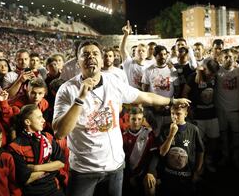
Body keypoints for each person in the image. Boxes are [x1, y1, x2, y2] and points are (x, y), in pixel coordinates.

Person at [52, 40, 190, 196]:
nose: (91, 57)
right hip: (85, 170)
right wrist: (80, 98)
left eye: (95, 53)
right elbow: (59, 132)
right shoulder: (67, 90)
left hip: (115, 167)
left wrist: (172, 101)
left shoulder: (112, 82)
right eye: (85, 54)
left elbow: (146, 97)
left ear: (101, 58)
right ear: (78, 62)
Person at [9, 104, 65, 196]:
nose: (43, 120)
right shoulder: (16, 146)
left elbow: (61, 163)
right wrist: (51, 166)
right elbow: (26, 179)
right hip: (33, 193)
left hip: (54, 189)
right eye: (39, 118)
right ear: (27, 122)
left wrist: (36, 168)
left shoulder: (48, 137)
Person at [157, 104, 204, 196]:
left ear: (186, 114)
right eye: (172, 113)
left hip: (186, 177)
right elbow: (162, 153)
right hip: (168, 176)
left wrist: (197, 171)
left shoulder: (193, 129)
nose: (174, 116)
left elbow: (200, 151)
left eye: (178, 114)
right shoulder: (165, 129)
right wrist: (171, 135)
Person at [122, 105, 157, 196]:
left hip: (145, 171)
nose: (136, 122)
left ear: (142, 120)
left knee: (150, 185)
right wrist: (130, 176)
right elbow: (123, 158)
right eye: (133, 119)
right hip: (128, 172)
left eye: (139, 119)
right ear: (128, 119)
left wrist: (150, 171)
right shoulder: (123, 135)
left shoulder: (148, 133)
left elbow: (154, 155)